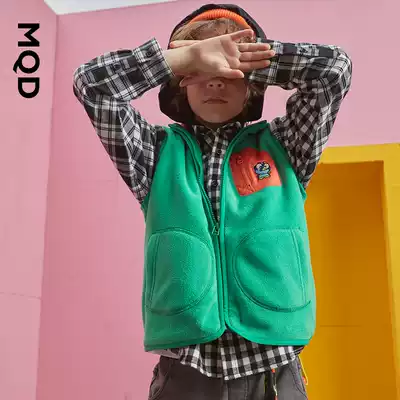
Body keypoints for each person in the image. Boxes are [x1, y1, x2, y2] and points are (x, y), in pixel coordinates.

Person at [73, 4, 352, 399]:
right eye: (201, 70)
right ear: (180, 83)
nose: (216, 82)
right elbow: (91, 85)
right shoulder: (153, 153)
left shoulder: (286, 146)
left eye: (228, 70)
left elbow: (335, 70)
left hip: (273, 364)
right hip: (185, 367)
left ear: (251, 83)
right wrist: (178, 58)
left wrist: (254, 58)